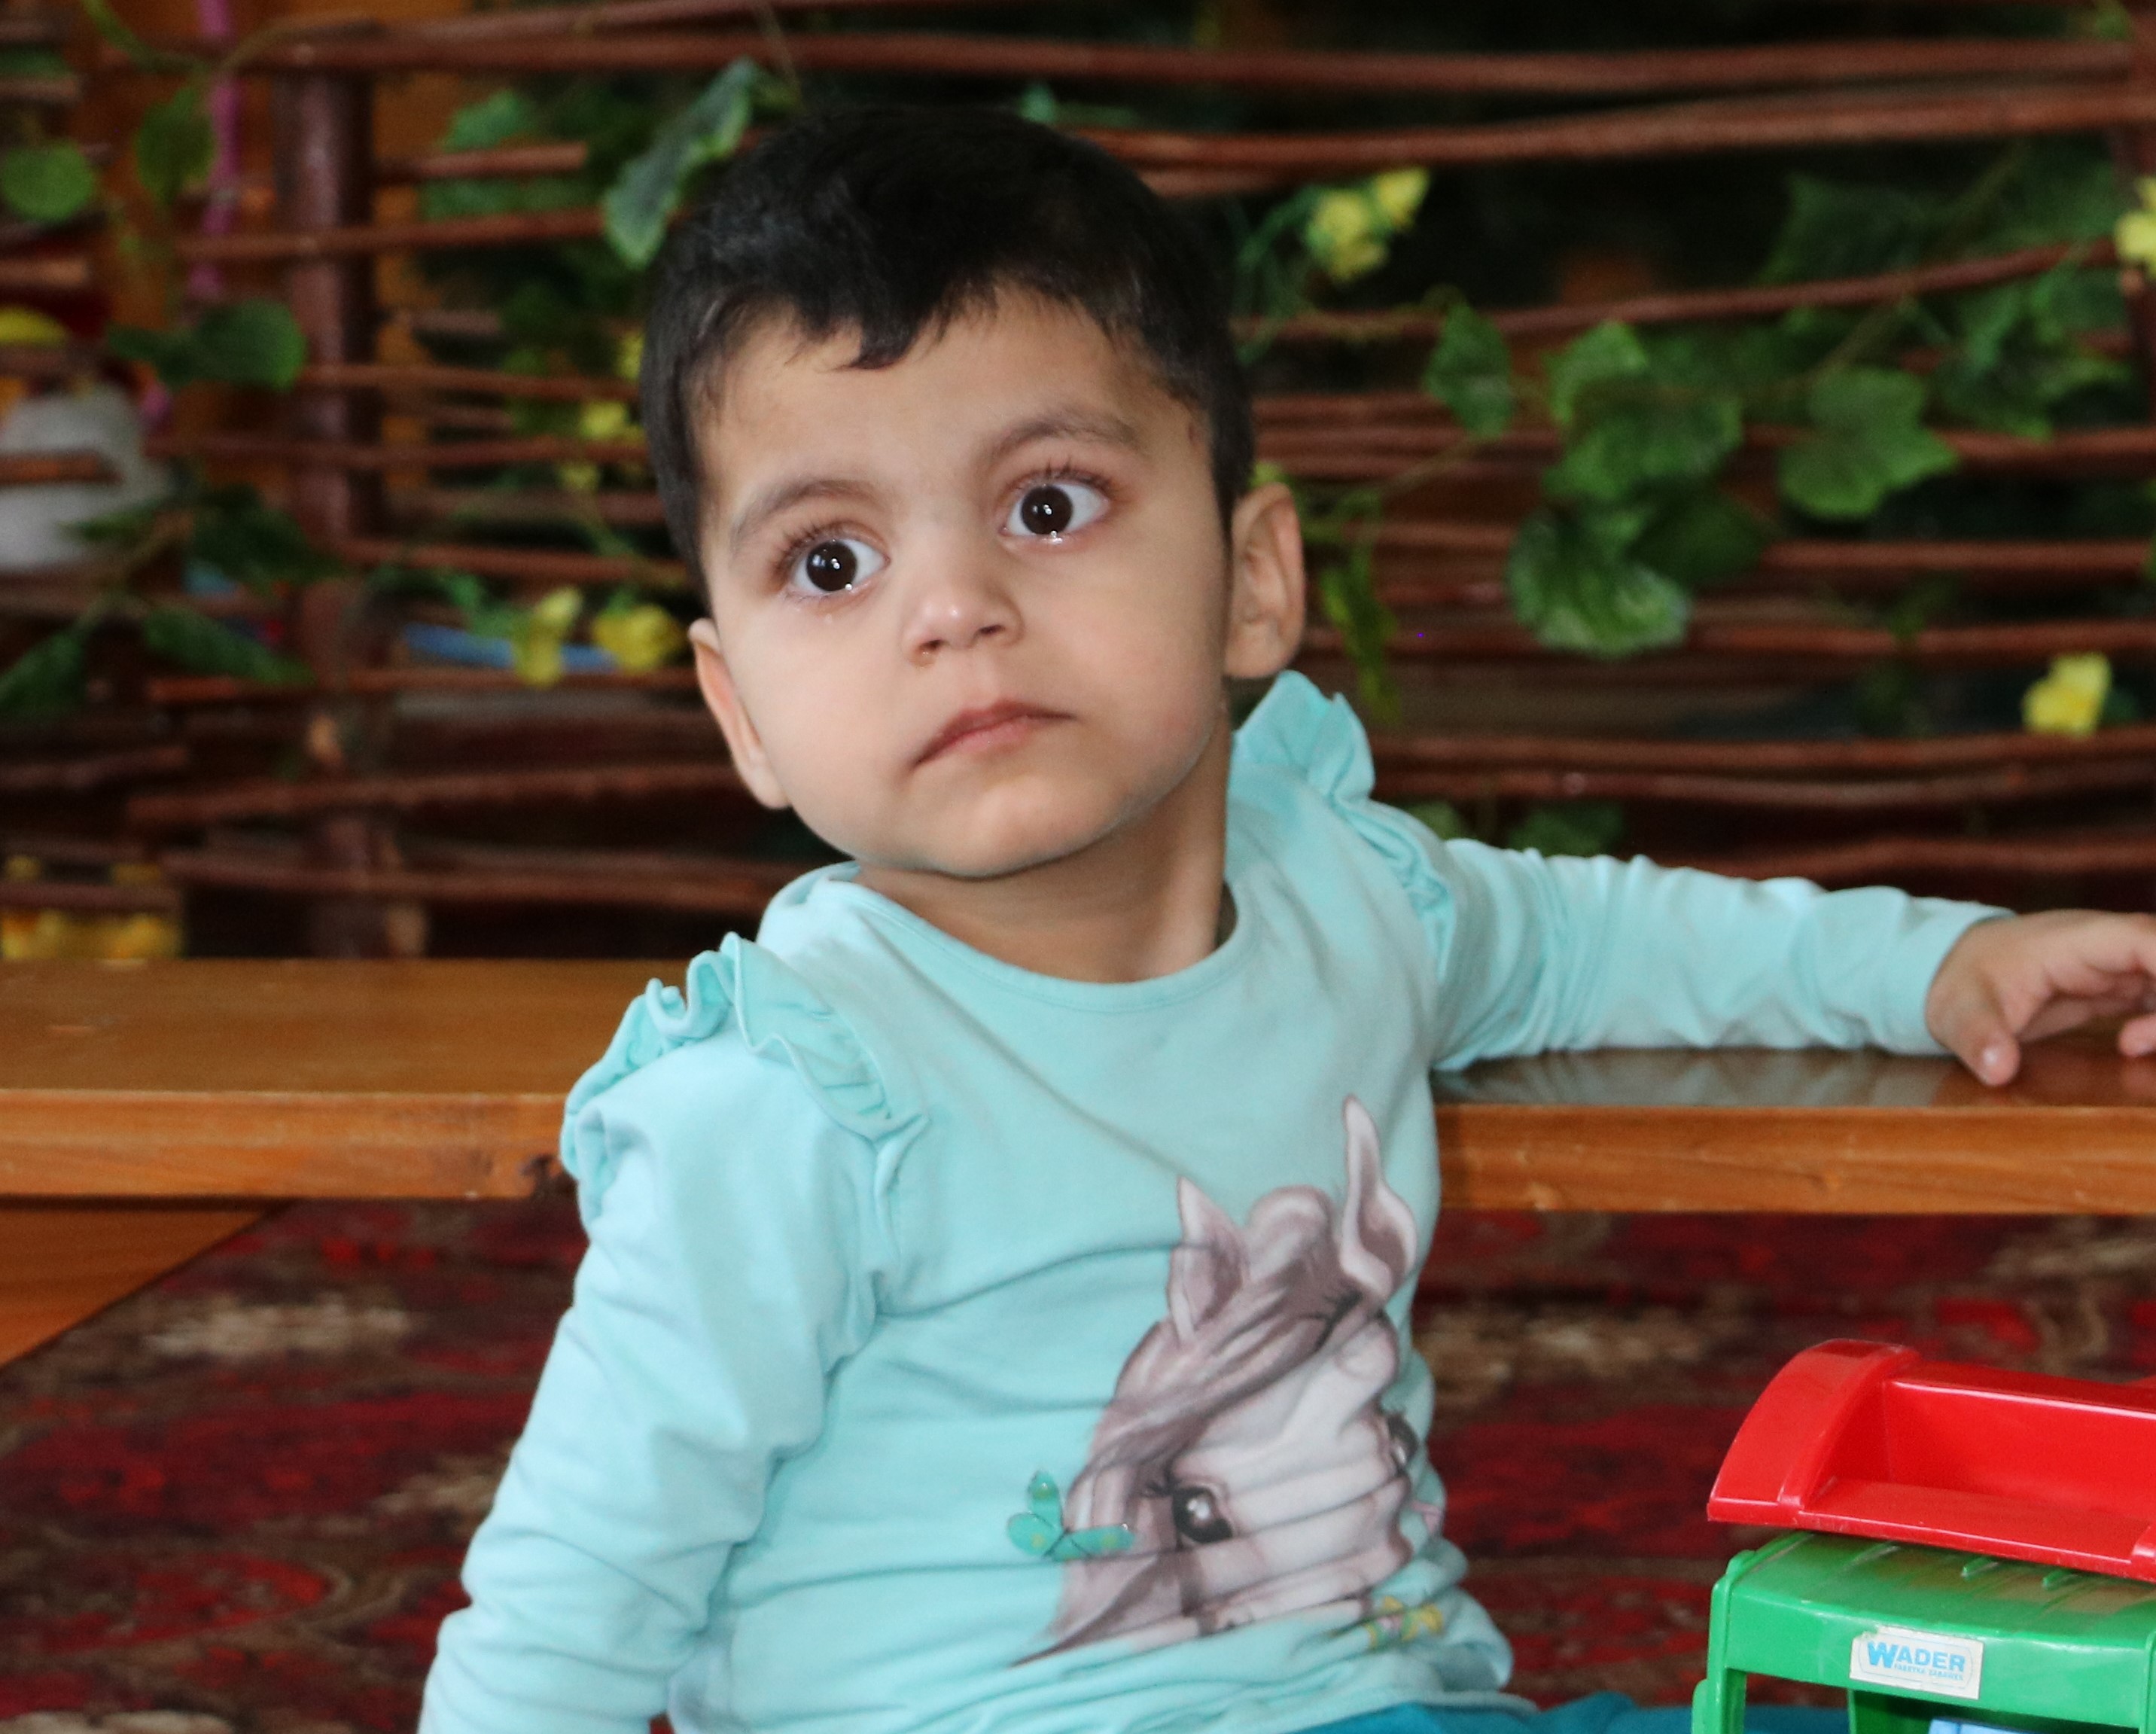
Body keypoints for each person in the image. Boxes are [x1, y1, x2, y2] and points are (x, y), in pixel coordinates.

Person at [419, 106, 2156, 1734]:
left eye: (1046, 507)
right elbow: (576, 1590)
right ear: (739, 712)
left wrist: (1938, 966)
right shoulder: (792, 1092)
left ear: (1252, 581)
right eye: (829, 562)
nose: (952, 606)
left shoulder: (1345, 895)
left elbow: (1609, 944)